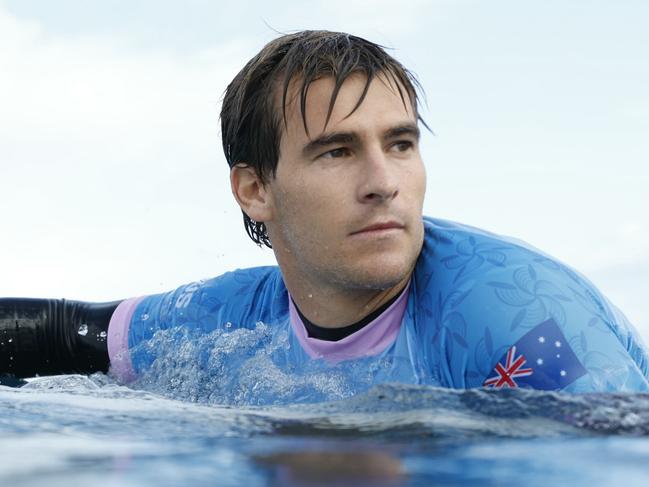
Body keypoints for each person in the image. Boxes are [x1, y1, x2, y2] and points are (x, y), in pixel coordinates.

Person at [2, 31, 648, 395]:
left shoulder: (516, 314)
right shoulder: (225, 322)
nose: (383, 182)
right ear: (254, 189)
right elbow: (61, 334)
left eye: (400, 143)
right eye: (337, 151)